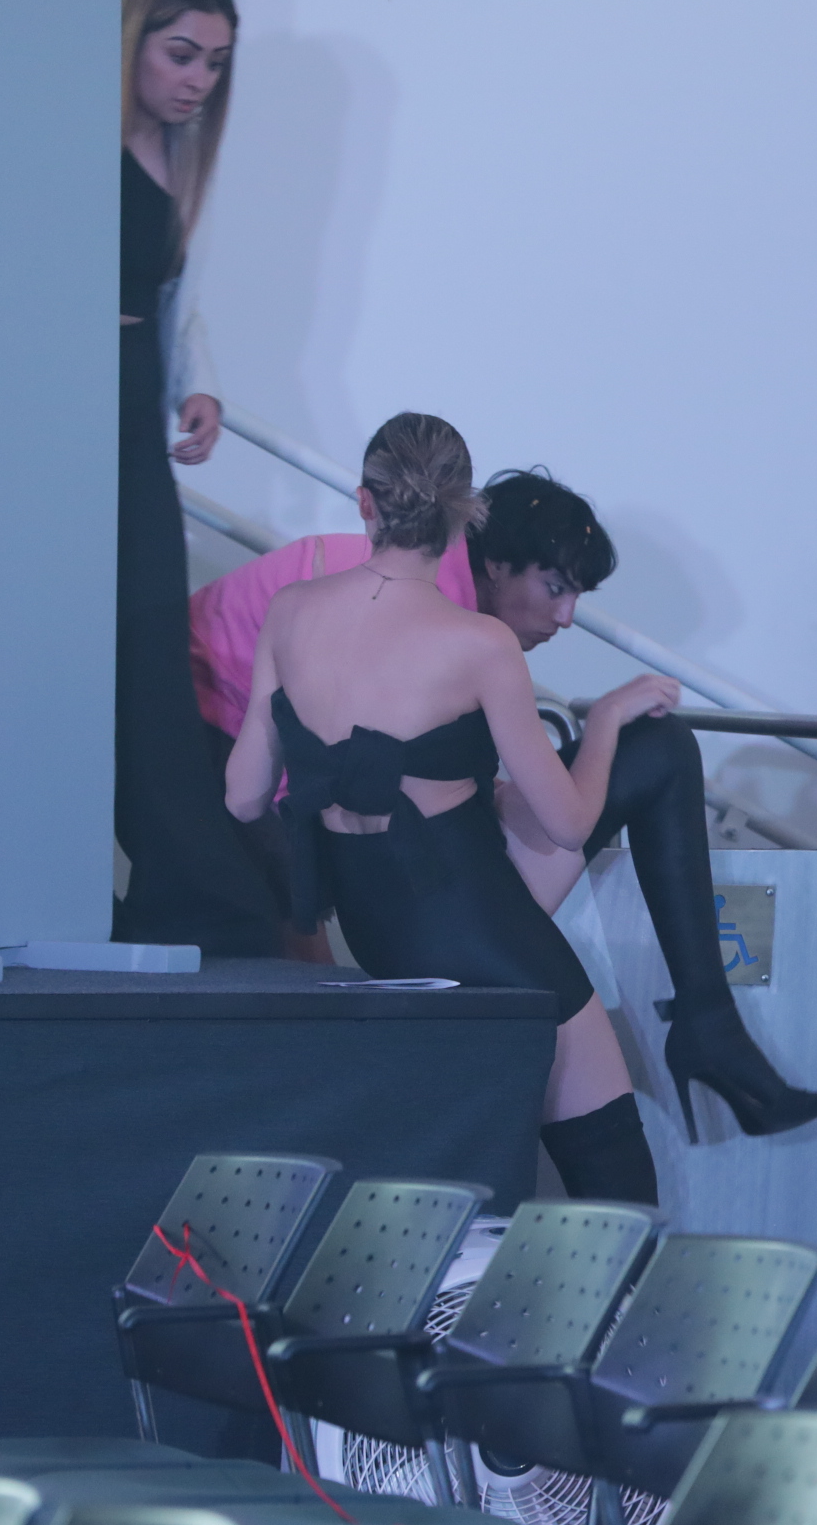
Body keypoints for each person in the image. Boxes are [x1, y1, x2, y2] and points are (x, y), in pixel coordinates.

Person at [191, 469, 817, 1139]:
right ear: (495, 564)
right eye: (555, 588)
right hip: (352, 852)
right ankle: (704, 1027)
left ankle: (708, 1019)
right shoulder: (394, 600)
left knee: (660, 746)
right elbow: (308, 782)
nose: (567, 616)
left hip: (419, 872)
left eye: (576, 594)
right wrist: (604, 721)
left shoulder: (449, 617)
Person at [225, 415, 670, 1203]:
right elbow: (569, 823)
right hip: (483, 933)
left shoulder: (291, 611)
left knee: (455, 1195)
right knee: (616, 1184)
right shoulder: (480, 643)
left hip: (377, 933)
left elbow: (244, 796)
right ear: (464, 517)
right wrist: (603, 723)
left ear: (365, 503)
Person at [116, 0, 283, 954]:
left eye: (215, 64)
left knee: (147, 646)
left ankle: (188, 891)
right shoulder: (73, 147)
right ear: (131, 38)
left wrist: (201, 384)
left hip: (132, 421)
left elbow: (178, 305)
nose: (198, 81)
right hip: (72, 419)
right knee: (104, 640)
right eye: (182, 54)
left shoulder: (179, 162)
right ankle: (192, 889)